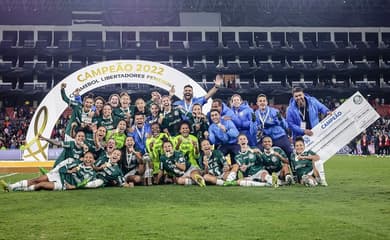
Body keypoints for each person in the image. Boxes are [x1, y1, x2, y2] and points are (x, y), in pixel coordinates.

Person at [1, 152, 96, 192]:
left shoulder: (92, 173)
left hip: (64, 184)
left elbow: (84, 183)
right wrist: (70, 171)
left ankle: (20, 189)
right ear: (83, 158)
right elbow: (62, 168)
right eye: (87, 157)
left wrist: (73, 187)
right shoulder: (76, 162)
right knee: (37, 179)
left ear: (93, 160)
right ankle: (11, 186)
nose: (88, 159)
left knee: (41, 185)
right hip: (59, 176)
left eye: (90, 158)